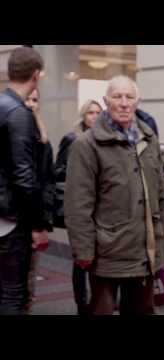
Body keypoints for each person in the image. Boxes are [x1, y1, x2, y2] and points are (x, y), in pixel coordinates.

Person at [64, 75, 164, 315]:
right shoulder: (86, 145)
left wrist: (160, 236)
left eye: (129, 97)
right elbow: (78, 205)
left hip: (145, 252)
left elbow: (160, 193)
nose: (123, 103)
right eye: (116, 96)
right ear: (105, 101)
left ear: (137, 101)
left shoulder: (149, 140)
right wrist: (84, 252)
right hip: (106, 255)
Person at [0, 47, 51, 315]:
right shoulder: (18, 113)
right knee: (13, 296)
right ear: (35, 75)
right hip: (11, 222)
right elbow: (23, 178)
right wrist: (39, 224)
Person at [54, 99, 102, 315]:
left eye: (98, 112)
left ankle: (96, 301)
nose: (94, 116)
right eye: (90, 112)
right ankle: (81, 304)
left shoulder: (103, 139)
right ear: (83, 115)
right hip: (80, 207)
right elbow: (58, 173)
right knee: (79, 260)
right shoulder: (72, 139)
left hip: (99, 209)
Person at [23, 88, 55, 314]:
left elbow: (47, 185)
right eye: (27, 98)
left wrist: (42, 224)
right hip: (7, 220)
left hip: (30, 221)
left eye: (35, 100)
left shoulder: (43, 142)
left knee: (27, 281)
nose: (31, 104)